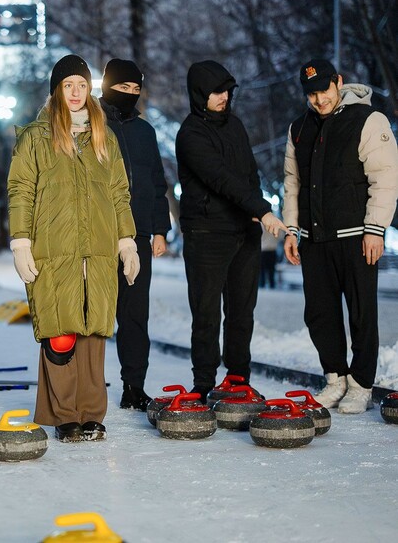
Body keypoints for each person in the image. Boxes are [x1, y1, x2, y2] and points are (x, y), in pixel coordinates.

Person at [8, 54, 138, 442]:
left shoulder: (104, 137)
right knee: (60, 335)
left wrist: (127, 242)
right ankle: (66, 415)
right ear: (57, 91)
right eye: (69, 86)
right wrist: (20, 242)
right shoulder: (36, 137)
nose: (77, 93)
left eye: (82, 85)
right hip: (53, 250)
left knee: (94, 333)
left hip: (96, 252)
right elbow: (21, 190)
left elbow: (118, 192)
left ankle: (92, 413)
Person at [283, 59, 398, 413]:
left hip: (357, 236)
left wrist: (376, 229)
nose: (319, 100)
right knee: (319, 313)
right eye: (312, 94)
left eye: (324, 91)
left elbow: (385, 179)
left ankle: (361, 384)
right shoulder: (298, 128)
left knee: (361, 312)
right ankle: (335, 378)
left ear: (339, 82)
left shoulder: (367, 120)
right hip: (314, 239)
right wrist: (291, 228)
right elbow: (292, 184)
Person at [175, 60, 287, 403]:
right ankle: (203, 384)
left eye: (227, 91)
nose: (224, 97)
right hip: (207, 235)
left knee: (241, 312)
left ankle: (238, 378)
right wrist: (262, 210)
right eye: (216, 92)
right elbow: (220, 177)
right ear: (199, 94)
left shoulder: (235, 126)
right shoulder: (190, 133)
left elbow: (248, 174)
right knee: (206, 313)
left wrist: (254, 213)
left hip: (244, 234)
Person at [99, 58, 172, 411]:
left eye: (135, 89)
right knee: (93, 313)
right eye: (122, 88)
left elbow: (158, 182)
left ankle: (134, 385)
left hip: (139, 233)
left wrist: (160, 228)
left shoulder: (145, 131)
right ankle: (87, 385)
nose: (129, 94)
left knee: (134, 316)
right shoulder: (92, 124)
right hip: (98, 233)